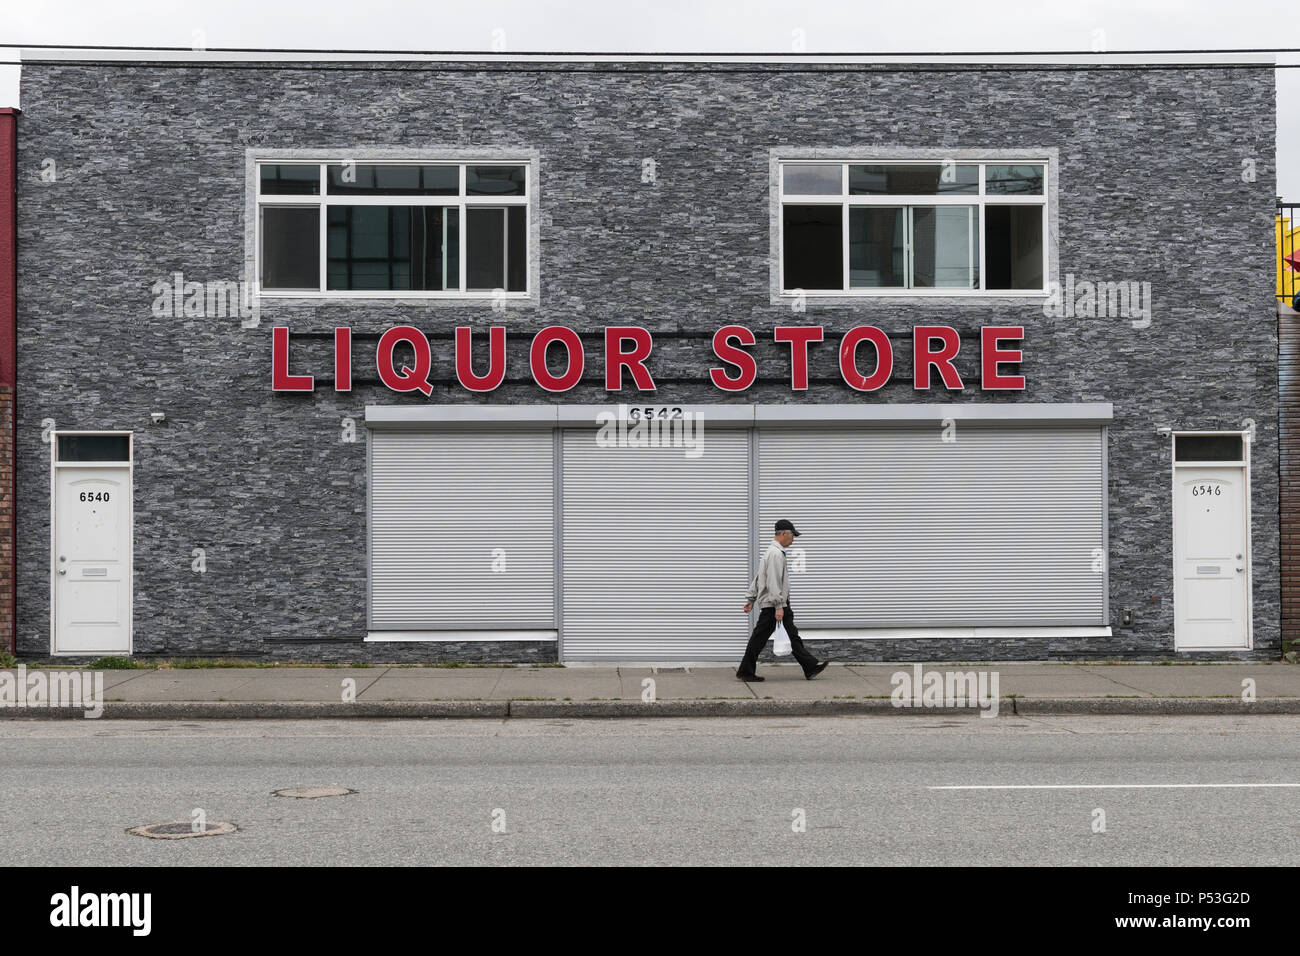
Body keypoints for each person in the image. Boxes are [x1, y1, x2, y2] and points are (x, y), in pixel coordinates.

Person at [737, 519, 828, 681]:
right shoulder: (775, 554)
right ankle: (745, 671)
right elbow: (772, 581)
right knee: (759, 638)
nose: (793, 539)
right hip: (774, 605)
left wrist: (751, 598)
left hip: (778, 603)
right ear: (784, 533)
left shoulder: (772, 552)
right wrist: (779, 605)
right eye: (792, 535)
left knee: (792, 636)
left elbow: (760, 578)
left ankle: (810, 667)